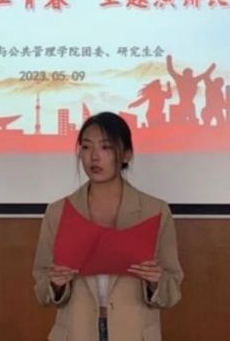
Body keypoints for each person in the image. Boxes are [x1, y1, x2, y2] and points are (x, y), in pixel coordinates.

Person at [32, 112, 183, 341]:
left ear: (127, 154)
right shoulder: (59, 212)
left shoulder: (155, 211)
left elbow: (172, 289)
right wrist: (56, 284)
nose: (94, 156)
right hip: (76, 332)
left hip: (134, 333)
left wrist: (155, 283)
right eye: (86, 147)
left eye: (106, 147)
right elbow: (42, 287)